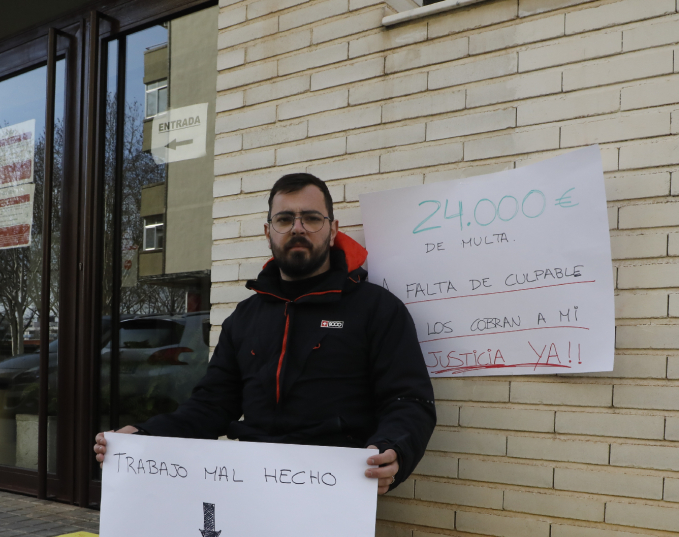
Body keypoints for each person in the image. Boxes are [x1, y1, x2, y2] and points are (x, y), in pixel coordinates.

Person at [94, 173, 435, 494]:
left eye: (312, 218)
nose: (297, 228)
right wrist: (144, 435)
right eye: (284, 219)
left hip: (338, 494)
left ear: (332, 231)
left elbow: (409, 401)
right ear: (268, 231)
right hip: (251, 489)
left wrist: (394, 449)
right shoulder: (246, 317)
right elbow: (211, 406)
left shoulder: (377, 309)